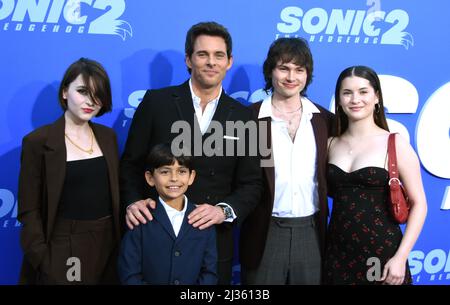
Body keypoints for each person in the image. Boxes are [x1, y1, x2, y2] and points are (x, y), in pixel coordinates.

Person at [119, 21, 262, 285]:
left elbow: (252, 183)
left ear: (229, 61)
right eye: (202, 54)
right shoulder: (156, 102)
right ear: (188, 59)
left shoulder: (244, 117)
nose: (211, 62)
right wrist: (132, 202)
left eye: (219, 55)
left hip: (213, 241)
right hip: (155, 238)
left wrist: (224, 210)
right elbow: (130, 164)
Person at [18, 58, 121, 284]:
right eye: (82, 91)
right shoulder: (38, 142)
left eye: (98, 94)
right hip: (64, 245)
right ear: (65, 92)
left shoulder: (108, 137)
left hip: (109, 244)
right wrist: (44, 260)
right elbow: (29, 210)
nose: (90, 101)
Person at [239, 38, 334, 284]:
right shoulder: (249, 119)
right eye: (284, 68)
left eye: (299, 70)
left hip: (312, 232)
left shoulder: (324, 120)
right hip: (263, 232)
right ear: (270, 71)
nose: (291, 76)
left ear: (307, 75)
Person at [324, 65, 427, 285]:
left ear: (377, 97)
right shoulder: (331, 143)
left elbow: (420, 204)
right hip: (336, 253)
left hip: (382, 255)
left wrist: (401, 257)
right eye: (347, 93)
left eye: (363, 92)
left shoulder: (395, 143)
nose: (355, 99)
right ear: (339, 100)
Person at [118, 143, 217, 285]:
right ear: (150, 178)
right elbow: (129, 274)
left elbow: (209, 273)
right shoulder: (140, 218)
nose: (174, 178)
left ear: (191, 176)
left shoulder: (204, 219)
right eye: (165, 172)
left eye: (181, 171)